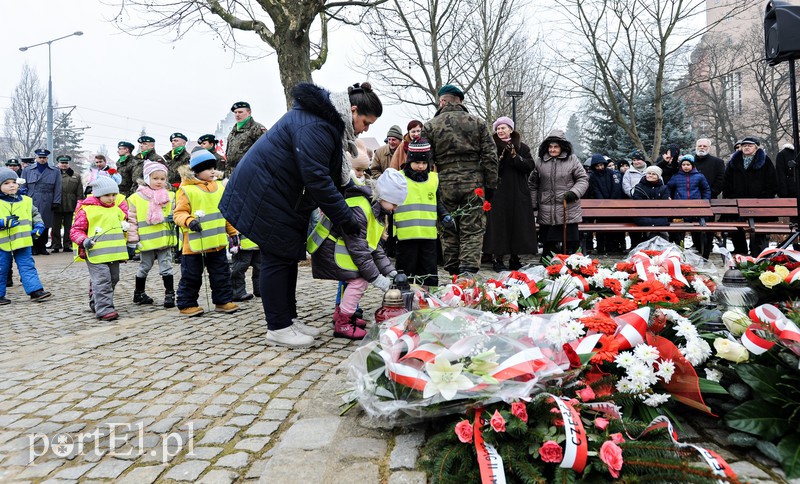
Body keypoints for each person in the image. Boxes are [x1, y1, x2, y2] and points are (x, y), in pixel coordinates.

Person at [220, 81, 382, 348]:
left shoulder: (324, 122)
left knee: (287, 257)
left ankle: (288, 319)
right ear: (353, 110)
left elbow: (329, 175)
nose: (365, 129)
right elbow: (318, 179)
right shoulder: (316, 125)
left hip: (281, 195)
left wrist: (355, 189)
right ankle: (278, 327)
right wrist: (346, 219)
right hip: (265, 194)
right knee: (276, 257)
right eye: (366, 122)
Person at [309, 169, 406, 339]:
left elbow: (374, 247)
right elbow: (360, 251)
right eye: (394, 204)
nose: (395, 209)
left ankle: (342, 314)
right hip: (329, 250)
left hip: (339, 249)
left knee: (357, 279)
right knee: (359, 281)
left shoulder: (374, 208)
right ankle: (344, 323)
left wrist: (390, 271)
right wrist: (377, 278)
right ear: (384, 196)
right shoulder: (361, 209)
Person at [424, 84, 498, 274]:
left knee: (448, 228)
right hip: (473, 183)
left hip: (444, 183)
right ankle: (468, 272)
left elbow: (425, 160)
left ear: (442, 101)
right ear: (460, 101)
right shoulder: (477, 122)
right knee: (472, 229)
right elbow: (490, 156)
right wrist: (491, 185)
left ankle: (453, 272)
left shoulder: (431, 126)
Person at [174, 150, 240, 317]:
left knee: (221, 274)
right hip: (194, 245)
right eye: (207, 168)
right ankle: (186, 304)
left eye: (213, 168)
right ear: (196, 171)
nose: (212, 171)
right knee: (192, 276)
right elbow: (178, 214)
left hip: (217, 243)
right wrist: (189, 220)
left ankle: (223, 300)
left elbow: (225, 214)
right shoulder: (186, 190)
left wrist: (233, 233)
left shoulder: (219, 188)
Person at [393, 138, 451, 287]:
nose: (421, 166)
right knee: (405, 274)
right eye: (417, 163)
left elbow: (437, 202)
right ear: (409, 161)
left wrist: (444, 214)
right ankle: (403, 300)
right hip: (406, 237)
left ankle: (429, 302)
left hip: (428, 237)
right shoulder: (399, 178)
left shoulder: (433, 180)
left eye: (424, 163)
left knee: (429, 274)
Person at [70, 176, 128, 321]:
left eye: (114, 195)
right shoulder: (87, 210)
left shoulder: (117, 210)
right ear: (98, 194)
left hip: (114, 254)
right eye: (107, 195)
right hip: (95, 254)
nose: (111, 198)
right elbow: (75, 230)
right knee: (103, 280)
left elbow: (124, 229)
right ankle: (104, 309)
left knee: (113, 279)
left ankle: (96, 301)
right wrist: (84, 241)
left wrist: (131, 243)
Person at [484, 116, 537, 271]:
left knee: (518, 225)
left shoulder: (523, 147)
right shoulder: (491, 147)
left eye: (503, 128)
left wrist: (515, 156)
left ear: (511, 129)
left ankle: (515, 259)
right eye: (498, 128)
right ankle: (498, 259)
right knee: (499, 226)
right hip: (499, 193)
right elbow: (488, 168)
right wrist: (501, 158)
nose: (500, 131)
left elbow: (529, 166)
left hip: (518, 192)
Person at [528, 129, 589, 257]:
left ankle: (572, 263)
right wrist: (533, 203)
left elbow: (583, 179)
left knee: (570, 242)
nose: (552, 149)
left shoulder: (572, 160)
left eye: (556, 147)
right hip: (547, 208)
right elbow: (533, 184)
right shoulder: (540, 161)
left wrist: (574, 192)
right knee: (549, 241)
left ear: (562, 147)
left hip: (568, 206)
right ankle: (549, 264)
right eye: (550, 146)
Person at [126, 161, 176, 308]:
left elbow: (176, 213)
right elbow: (132, 221)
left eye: (162, 179)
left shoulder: (170, 196)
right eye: (155, 178)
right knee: (144, 266)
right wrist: (132, 241)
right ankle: (139, 293)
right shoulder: (136, 198)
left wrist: (175, 217)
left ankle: (169, 294)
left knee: (166, 266)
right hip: (145, 241)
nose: (159, 182)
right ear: (147, 178)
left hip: (164, 239)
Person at [0, 167, 52, 305]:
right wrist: (2, 222)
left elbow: (35, 215)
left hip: (22, 241)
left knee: (28, 266)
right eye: (6, 183)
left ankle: (36, 291)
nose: (11, 185)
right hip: (2, 243)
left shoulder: (27, 201)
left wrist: (39, 226)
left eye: (13, 182)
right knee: (1, 269)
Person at [723, 136, 777, 257]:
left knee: (759, 229)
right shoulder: (734, 161)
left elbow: (772, 181)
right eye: (744, 145)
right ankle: (740, 252)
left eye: (750, 145)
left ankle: (757, 254)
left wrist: (765, 197)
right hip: (737, 201)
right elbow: (726, 181)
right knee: (736, 226)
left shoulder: (765, 161)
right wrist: (731, 196)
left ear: (756, 148)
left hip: (759, 202)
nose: (747, 147)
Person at [667, 155, 712, 257]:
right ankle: (679, 247)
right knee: (679, 229)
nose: (686, 167)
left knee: (697, 230)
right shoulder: (676, 177)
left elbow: (706, 189)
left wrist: (705, 201)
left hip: (696, 207)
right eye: (683, 165)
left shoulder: (699, 176)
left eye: (688, 164)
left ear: (692, 165)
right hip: (680, 207)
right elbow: (668, 188)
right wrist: (669, 197)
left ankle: (700, 248)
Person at [22, 149, 61, 256]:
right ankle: (33, 246)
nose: (42, 159)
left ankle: (42, 246)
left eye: (44, 158)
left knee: (45, 224)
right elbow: (23, 186)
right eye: (40, 157)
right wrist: (23, 200)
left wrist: (56, 201)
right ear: (36, 158)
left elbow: (58, 187)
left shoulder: (54, 171)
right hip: (31, 199)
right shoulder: (28, 170)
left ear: (47, 158)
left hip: (47, 200)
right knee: (32, 223)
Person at [586, 153, 624, 254]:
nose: (600, 167)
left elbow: (616, 187)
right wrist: (603, 202)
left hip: (613, 204)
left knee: (613, 228)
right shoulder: (593, 176)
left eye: (601, 165)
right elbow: (595, 190)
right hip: (600, 206)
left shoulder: (611, 173)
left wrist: (611, 201)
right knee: (601, 228)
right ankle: (600, 248)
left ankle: (613, 248)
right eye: (597, 166)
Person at [225, 101, 267, 177]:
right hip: (230, 175)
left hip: (248, 174)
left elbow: (265, 152)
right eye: (235, 112)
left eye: (240, 112)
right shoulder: (233, 132)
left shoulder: (257, 128)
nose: (237, 115)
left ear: (249, 112)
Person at [52, 155, 83, 253]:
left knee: (69, 226)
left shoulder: (76, 175)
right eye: (62, 163)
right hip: (56, 203)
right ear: (58, 163)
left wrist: (79, 204)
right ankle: (56, 245)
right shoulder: (54, 174)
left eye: (66, 163)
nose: (64, 165)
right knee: (55, 226)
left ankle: (67, 245)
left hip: (71, 203)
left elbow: (79, 191)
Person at [632, 165, 670, 236]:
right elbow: (638, 202)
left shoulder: (663, 188)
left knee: (662, 223)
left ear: (658, 176)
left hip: (659, 215)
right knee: (646, 222)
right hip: (643, 215)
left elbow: (665, 204)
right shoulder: (639, 187)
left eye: (654, 174)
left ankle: (661, 244)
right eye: (649, 173)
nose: (650, 175)